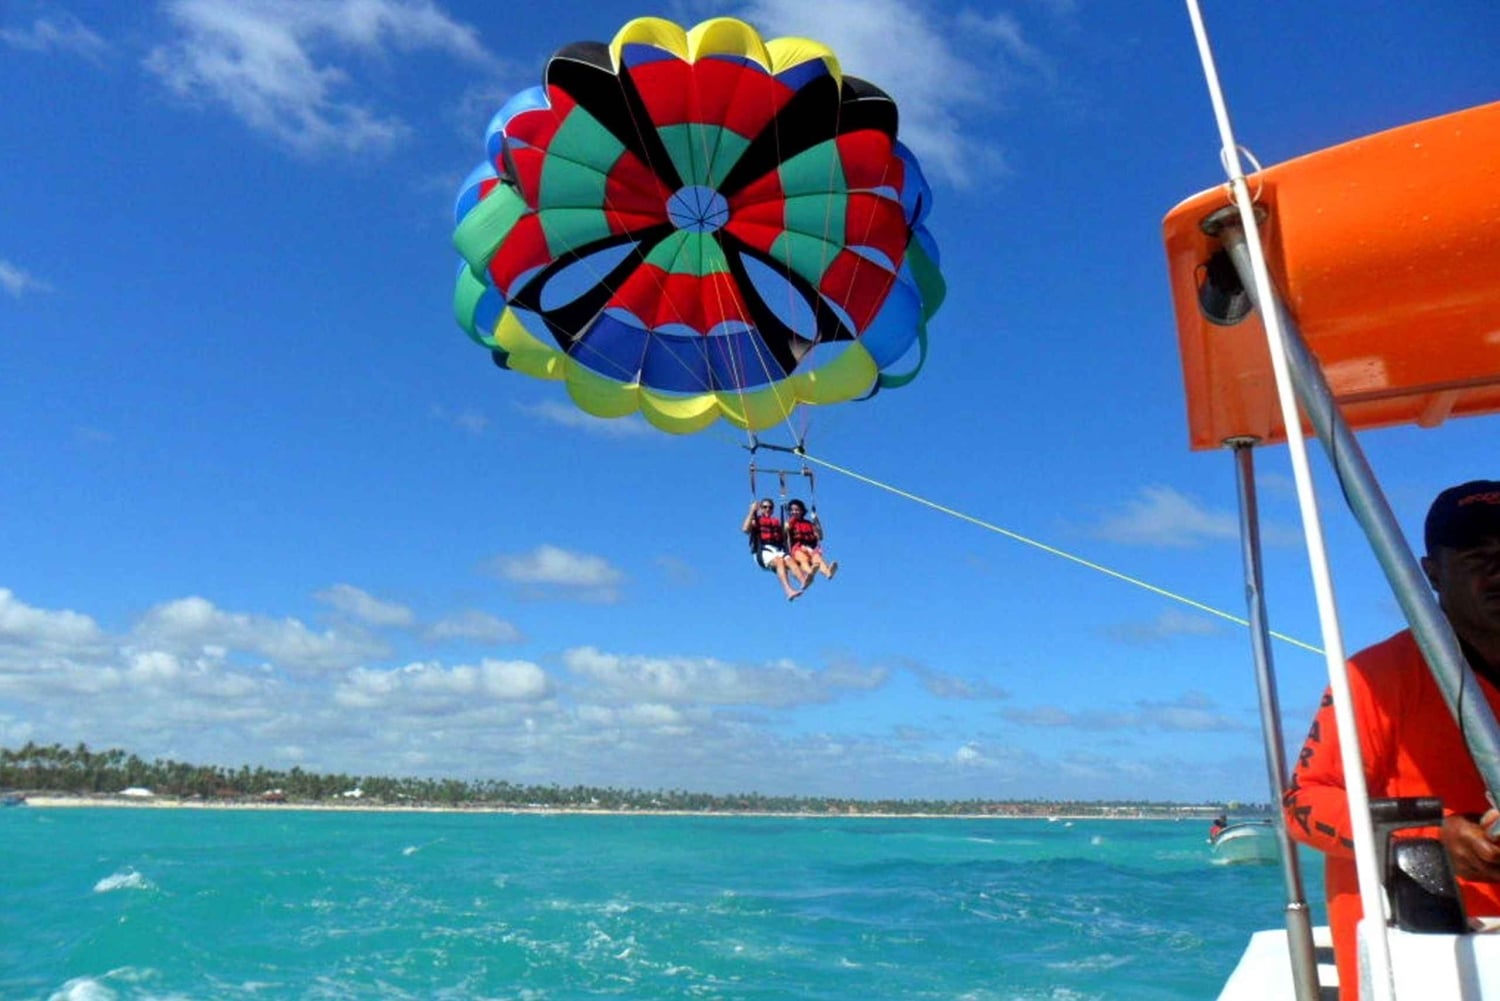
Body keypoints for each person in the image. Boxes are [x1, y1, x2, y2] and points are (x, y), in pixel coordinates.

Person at [1283, 480, 1500, 1000]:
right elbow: (1303, 803)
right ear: (1432, 573)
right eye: (1475, 556)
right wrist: (1432, 837)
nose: (1498, 568)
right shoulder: (1374, 677)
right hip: (1423, 965)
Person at [742, 498, 805, 601]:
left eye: (770, 507)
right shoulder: (756, 520)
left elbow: (785, 538)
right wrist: (751, 511)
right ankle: (789, 591)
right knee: (779, 561)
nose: (767, 509)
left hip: (777, 550)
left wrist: (787, 529)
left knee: (790, 560)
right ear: (760, 509)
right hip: (762, 551)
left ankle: (804, 581)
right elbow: (745, 529)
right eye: (764, 507)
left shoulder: (776, 522)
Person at [784, 499, 838, 585]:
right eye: (792, 510)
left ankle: (828, 572)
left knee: (817, 558)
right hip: (797, 548)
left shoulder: (808, 523)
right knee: (803, 558)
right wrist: (786, 527)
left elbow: (820, 536)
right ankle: (810, 573)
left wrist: (816, 521)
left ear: (802, 511)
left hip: (811, 548)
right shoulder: (790, 523)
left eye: (797, 510)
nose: (794, 512)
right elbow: (784, 533)